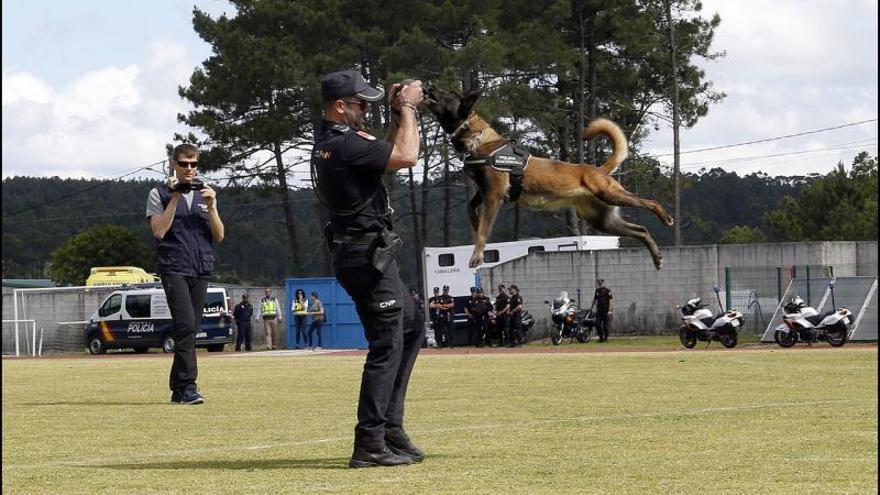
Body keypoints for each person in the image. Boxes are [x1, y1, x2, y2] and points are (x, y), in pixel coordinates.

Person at [312, 69, 426, 468]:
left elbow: (388, 154)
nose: (365, 110)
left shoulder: (336, 142)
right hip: (365, 255)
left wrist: (398, 117)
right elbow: (406, 156)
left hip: (366, 253)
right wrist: (409, 107)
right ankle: (369, 444)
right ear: (340, 107)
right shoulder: (344, 144)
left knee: (412, 324)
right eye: (361, 104)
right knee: (387, 344)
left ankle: (389, 429)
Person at [146, 142, 224, 405]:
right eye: (183, 164)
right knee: (186, 325)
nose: (189, 169)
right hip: (174, 267)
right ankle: (188, 385)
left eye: (193, 164)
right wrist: (176, 196)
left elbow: (219, 235)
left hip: (201, 267)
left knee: (190, 328)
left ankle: (179, 388)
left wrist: (212, 207)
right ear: (173, 164)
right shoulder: (159, 193)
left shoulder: (206, 193)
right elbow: (158, 230)